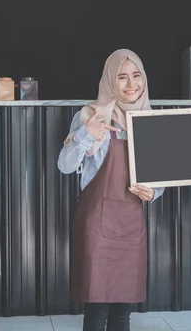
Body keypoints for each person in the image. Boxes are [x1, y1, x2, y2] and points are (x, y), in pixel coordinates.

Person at [57, 48, 164, 331]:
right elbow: (65, 166)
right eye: (122, 77)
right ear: (109, 81)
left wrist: (154, 192)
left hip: (131, 227)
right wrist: (86, 135)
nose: (131, 85)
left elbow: (159, 178)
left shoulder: (150, 120)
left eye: (136, 76)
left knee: (122, 316)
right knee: (96, 314)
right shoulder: (90, 116)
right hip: (96, 226)